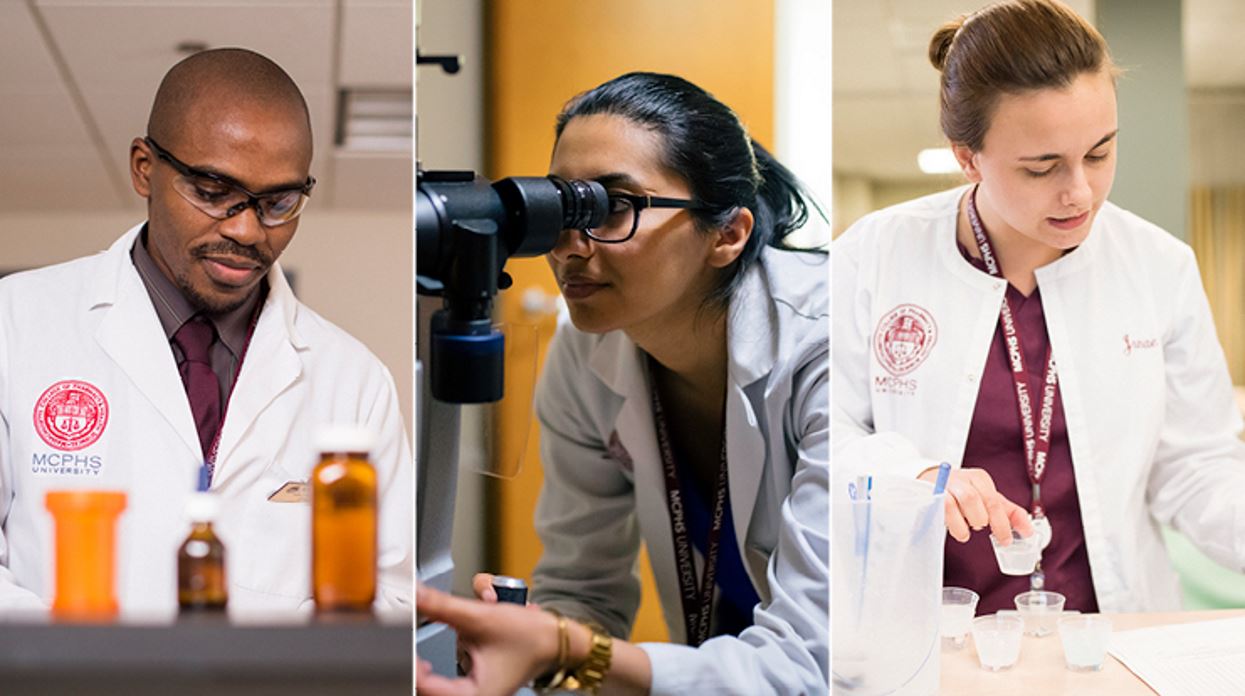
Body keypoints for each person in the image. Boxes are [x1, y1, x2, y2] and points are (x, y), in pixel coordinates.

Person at [416, 72, 829, 695]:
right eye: (562, 207)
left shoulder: (827, 349)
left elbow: (811, 666)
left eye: (612, 208)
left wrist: (569, 648)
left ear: (728, 233)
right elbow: (584, 591)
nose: (569, 248)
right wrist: (534, 654)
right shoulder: (586, 353)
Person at [834, 0, 1245, 617]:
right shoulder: (873, 256)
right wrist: (910, 474)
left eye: (1100, 153)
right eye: (1042, 167)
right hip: (934, 633)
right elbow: (821, 435)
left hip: (1110, 631)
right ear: (966, 157)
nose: (1079, 191)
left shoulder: (1159, 266)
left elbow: (1196, 466)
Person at [0, 48, 411, 613]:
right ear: (145, 168)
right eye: (214, 192)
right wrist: (93, 659)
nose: (246, 230)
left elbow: (393, 596)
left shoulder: (354, 381)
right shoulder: (15, 323)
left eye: (279, 202)